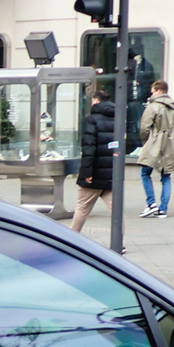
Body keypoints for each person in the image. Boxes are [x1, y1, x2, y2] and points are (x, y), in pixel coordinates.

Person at [133, 79, 174, 215]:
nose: (152, 94)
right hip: (172, 144)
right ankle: (163, 209)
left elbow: (144, 127)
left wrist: (146, 143)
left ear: (159, 91)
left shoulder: (153, 106)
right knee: (166, 177)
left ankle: (151, 203)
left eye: (153, 91)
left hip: (155, 143)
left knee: (145, 173)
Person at [71, 86, 118, 236]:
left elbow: (89, 148)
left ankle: (72, 237)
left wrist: (86, 172)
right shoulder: (117, 117)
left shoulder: (91, 120)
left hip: (95, 173)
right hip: (111, 173)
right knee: (116, 210)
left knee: (82, 207)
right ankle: (120, 241)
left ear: (96, 101)